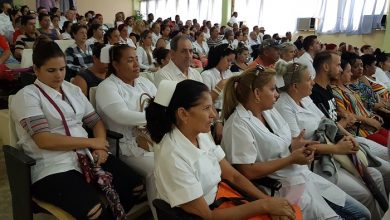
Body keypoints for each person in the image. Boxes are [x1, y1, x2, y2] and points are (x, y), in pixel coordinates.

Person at [10, 40, 143, 219]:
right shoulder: (27, 96)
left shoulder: (72, 89)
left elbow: (96, 122)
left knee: (135, 187)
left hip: (87, 156)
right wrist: (92, 142)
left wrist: (100, 147)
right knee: (93, 211)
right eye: (51, 70)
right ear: (35, 69)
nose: (58, 76)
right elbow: (44, 140)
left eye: (62, 69)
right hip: (53, 165)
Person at [221, 66, 371, 219]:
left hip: (304, 176)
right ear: (257, 94)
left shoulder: (269, 112)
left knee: (362, 213)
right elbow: (247, 171)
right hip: (283, 188)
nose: (277, 94)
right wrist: (291, 158)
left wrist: (296, 145)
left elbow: (281, 143)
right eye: (272, 89)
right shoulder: (238, 125)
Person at [146, 79, 300, 220]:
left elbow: (233, 176)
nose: (214, 115)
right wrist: (264, 205)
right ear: (183, 114)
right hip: (205, 215)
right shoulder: (173, 157)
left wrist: (268, 201)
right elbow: (208, 216)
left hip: (222, 198)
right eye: (206, 108)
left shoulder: (201, 134)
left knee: (289, 213)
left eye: (212, 106)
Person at [275, 61, 387, 219]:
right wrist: (336, 149)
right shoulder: (284, 106)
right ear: (294, 86)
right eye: (308, 79)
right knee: (364, 195)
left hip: (335, 147)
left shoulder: (305, 98)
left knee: (375, 175)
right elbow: (296, 146)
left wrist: (347, 136)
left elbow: (327, 122)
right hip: (319, 162)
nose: (312, 82)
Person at [95, 44, 158, 219]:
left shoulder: (144, 82)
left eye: (137, 59)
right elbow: (121, 116)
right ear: (115, 64)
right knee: (157, 170)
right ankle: (158, 213)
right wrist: (154, 118)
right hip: (125, 147)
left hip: (151, 139)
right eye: (130, 60)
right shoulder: (107, 87)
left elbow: (161, 105)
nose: (136, 64)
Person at [202, 44, 235, 111]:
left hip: (229, 109)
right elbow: (205, 102)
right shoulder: (206, 75)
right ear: (219, 57)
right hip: (215, 111)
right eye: (228, 60)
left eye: (231, 62)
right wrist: (220, 86)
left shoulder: (228, 72)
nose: (229, 64)